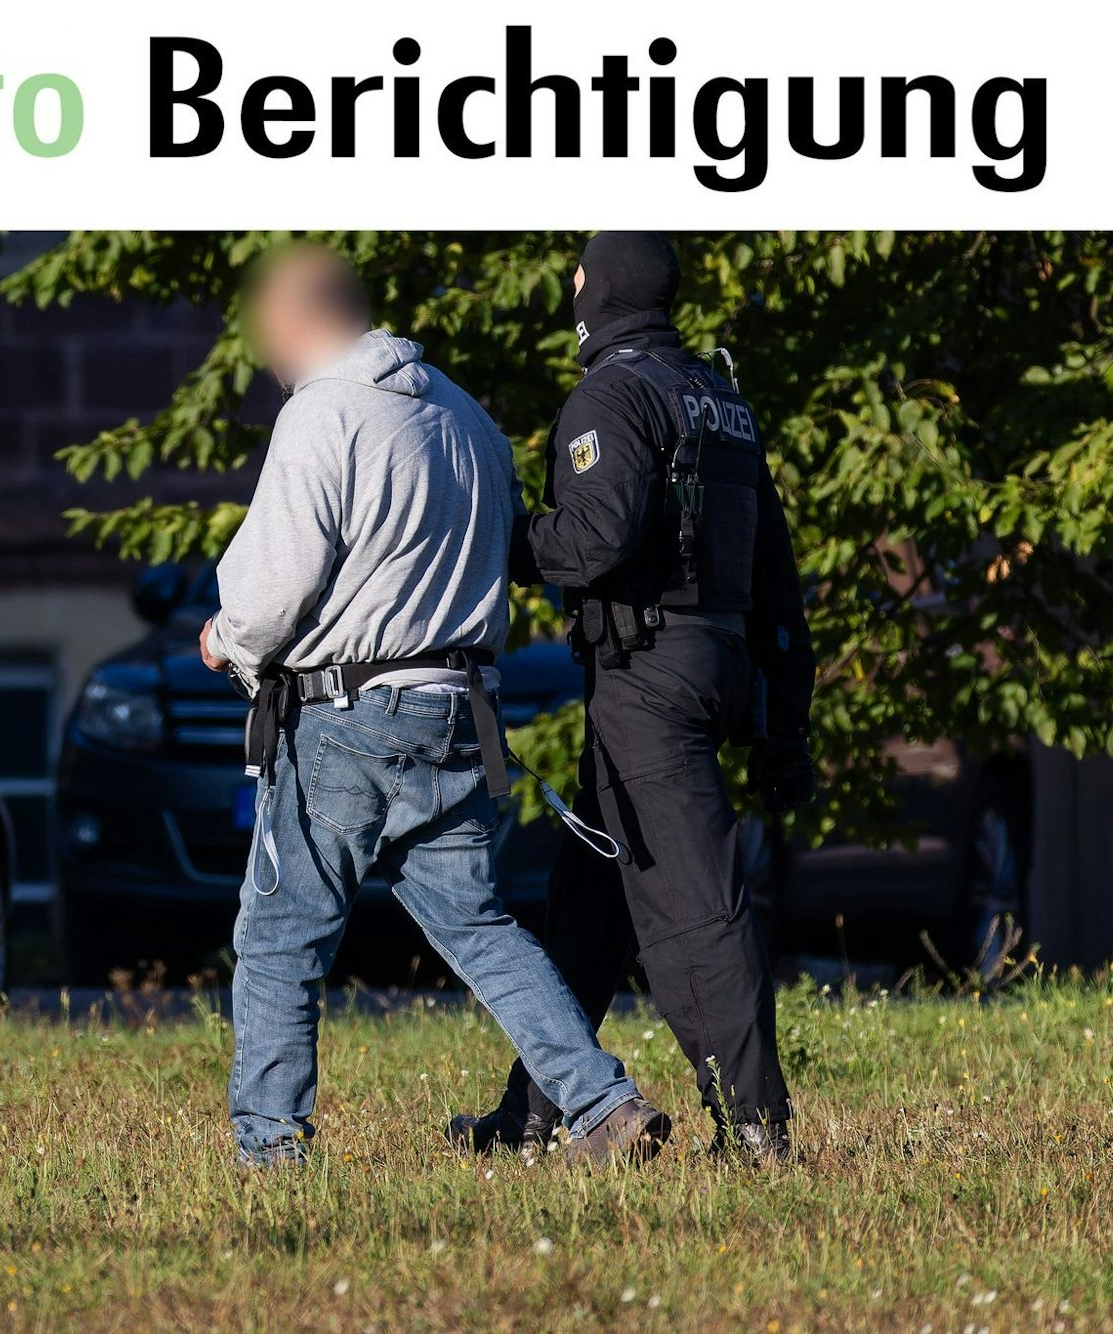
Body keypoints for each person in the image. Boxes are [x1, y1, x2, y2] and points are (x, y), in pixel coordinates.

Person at [200, 243, 668, 1168]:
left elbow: (274, 586)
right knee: (478, 925)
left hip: (347, 711)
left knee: (283, 931)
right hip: (461, 708)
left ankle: (270, 1150)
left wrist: (229, 640)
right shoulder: (465, 416)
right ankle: (604, 1104)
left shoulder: (321, 413)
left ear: (300, 321)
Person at [449, 232, 817, 1165]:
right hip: (711, 662)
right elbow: (774, 571)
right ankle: (536, 1113)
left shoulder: (614, 392)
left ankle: (755, 1131)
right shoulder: (717, 395)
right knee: (591, 902)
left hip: (649, 679)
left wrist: (501, 532)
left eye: (578, 277)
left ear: (603, 289)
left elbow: (594, 541)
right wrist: (785, 720)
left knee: (692, 907)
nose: (570, 292)